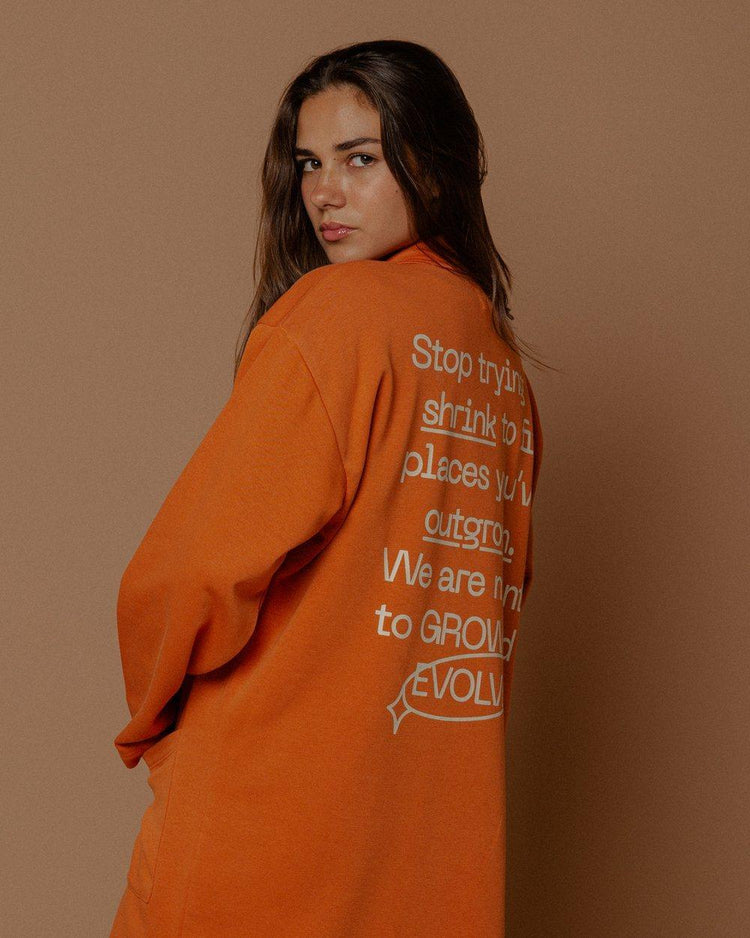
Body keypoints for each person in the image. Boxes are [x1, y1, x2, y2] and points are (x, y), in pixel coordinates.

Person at [110, 38, 547, 938]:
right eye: (310, 163)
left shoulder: (337, 315)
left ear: (436, 161)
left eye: (360, 158)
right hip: (427, 831)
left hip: (270, 813)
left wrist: (156, 721)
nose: (324, 194)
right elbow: (497, 596)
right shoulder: (499, 366)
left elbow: (192, 566)